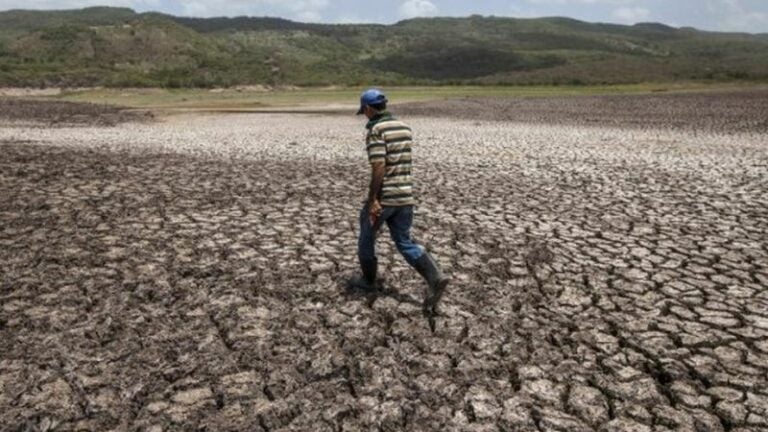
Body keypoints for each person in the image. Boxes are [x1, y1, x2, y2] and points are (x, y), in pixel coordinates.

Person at [350, 88, 449, 315]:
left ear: (367, 108)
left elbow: (379, 166)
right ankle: (435, 277)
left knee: (366, 237)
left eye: (363, 111)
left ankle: (368, 280)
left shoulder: (376, 130)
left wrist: (373, 199)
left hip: (386, 198)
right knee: (404, 241)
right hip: (405, 196)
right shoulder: (404, 127)